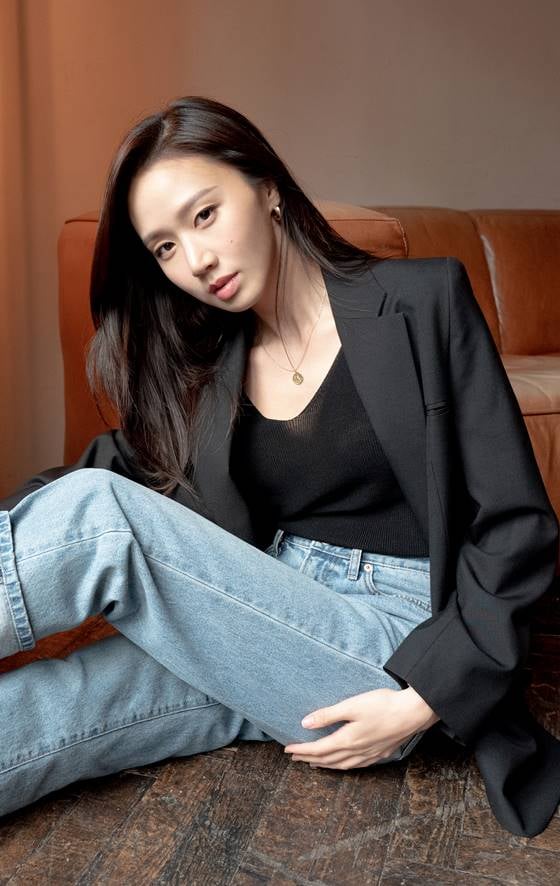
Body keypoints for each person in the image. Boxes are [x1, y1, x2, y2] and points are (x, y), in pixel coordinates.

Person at [0, 96, 558, 837]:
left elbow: (517, 524)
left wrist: (424, 699)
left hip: (394, 654)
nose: (196, 261)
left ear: (265, 187)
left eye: (204, 215)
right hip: (268, 617)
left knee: (105, 521)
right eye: (165, 248)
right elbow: (118, 467)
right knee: (65, 703)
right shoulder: (210, 363)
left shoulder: (420, 302)